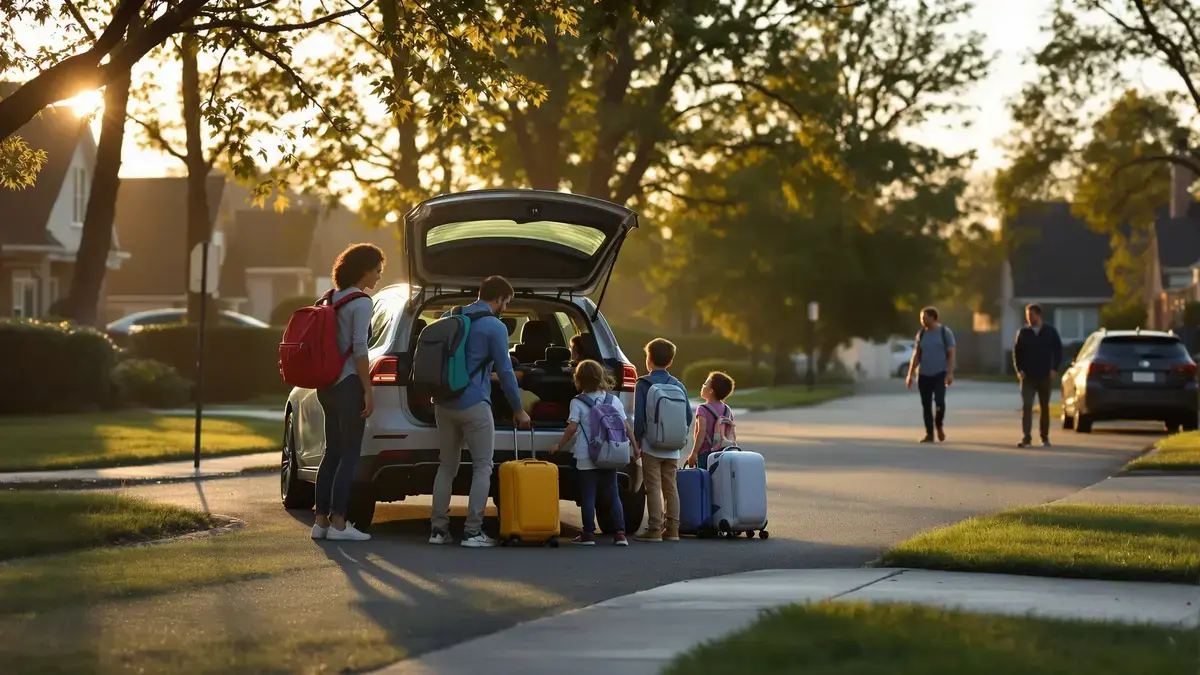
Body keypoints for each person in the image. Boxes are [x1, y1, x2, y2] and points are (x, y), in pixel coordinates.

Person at [429, 276, 531, 548]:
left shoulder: (452, 317)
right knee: (482, 467)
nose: (504, 308)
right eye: (506, 303)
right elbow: (506, 372)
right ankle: (472, 532)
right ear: (498, 299)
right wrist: (519, 409)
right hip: (474, 404)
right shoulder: (494, 326)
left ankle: (438, 531)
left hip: (443, 403)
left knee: (446, 467)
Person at [312, 243, 384, 542]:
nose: (379, 276)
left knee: (332, 453)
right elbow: (359, 348)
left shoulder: (328, 299)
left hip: (326, 386)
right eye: (377, 270)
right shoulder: (362, 302)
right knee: (350, 454)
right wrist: (368, 390)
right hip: (348, 385)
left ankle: (320, 523)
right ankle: (340, 522)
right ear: (364, 270)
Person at [549, 359, 633, 546]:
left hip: (586, 455)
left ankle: (588, 533)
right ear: (601, 377)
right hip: (610, 453)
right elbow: (626, 426)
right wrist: (634, 447)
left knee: (588, 494)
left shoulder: (578, 402)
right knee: (613, 494)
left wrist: (559, 445)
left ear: (578, 380)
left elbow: (572, 428)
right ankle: (620, 533)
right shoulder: (614, 400)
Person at [633, 338, 692, 542]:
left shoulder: (643, 384)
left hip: (651, 444)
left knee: (653, 486)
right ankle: (673, 528)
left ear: (649, 359)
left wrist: (638, 439)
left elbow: (639, 416)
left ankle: (655, 528)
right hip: (672, 446)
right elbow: (688, 416)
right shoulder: (678, 385)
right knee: (671, 486)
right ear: (671, 361)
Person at [1013, 303, 1064, 448]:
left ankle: (1044, 437)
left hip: (1044, 375)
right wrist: (1019, 370)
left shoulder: (1050, 332)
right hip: (1027, 376)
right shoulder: (1023, 332)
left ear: (1039, 315)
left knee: (1044, 407)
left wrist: (1054, 368)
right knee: (1027, 406)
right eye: (1027, 316)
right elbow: (1016, 353)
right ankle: (1026, 437)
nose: (1029, 318)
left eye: (1031, 315)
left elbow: (1058, 350)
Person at [904, 307, 957, 443]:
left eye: (924, 317)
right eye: (921, 318)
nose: (922, 320)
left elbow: (951, 354)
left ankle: (938, 425)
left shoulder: (945, 333)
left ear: (933, 318)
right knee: (926, 405)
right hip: (924, 374)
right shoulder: (921, 334)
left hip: (940, 373)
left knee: (940, 402)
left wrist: (950, 373)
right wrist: (910, 374)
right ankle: (929, 434)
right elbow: (916, 355)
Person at [687, 371, 736, 470]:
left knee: (705, 481)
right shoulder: (727, 410)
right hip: (724, 453)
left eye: (705, 384)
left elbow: (701, 432)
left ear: (711, 391)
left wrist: (694, 453)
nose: (702, 385)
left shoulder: (702, 409)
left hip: (706, 453)